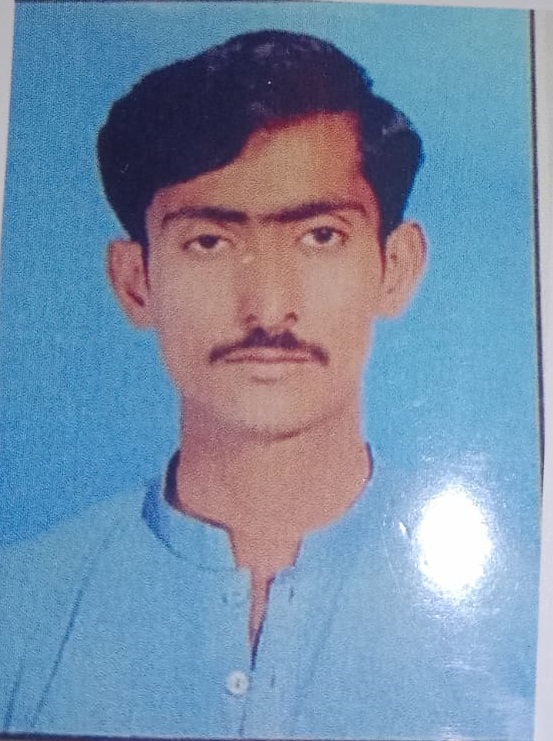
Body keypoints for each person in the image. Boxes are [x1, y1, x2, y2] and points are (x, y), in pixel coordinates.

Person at [0, 30, 537, 740]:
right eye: (209, 241)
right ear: (135, 282)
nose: (268, 307)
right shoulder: (18, 611)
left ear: (396, 267)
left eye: (320, 236)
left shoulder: (525, 621)